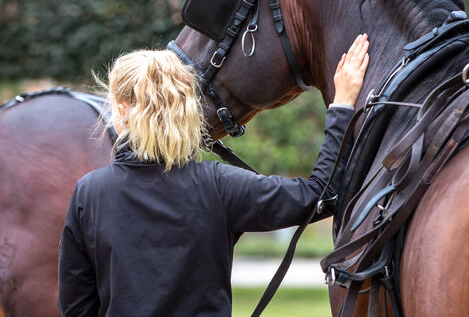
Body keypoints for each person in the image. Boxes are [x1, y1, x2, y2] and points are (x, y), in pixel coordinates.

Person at [57, 34, 370, 317]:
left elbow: (76, 306)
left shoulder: (89, 193)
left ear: (123, 111)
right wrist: (342, 105)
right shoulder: (218, 185)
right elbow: (319, 196)